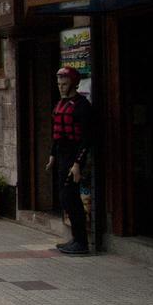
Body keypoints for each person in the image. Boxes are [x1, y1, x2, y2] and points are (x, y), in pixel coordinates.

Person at [47, 65, 92, 255]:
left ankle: (81, 242)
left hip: (75, 156)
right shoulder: (61, 104)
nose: (61, 87)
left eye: (64, 84)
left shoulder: (82, 106)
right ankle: (75, 239)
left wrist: (77, 164)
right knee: (66, 199)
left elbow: (87, 138)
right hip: (62, 156)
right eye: (59, 84)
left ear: (73, 84)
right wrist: (52, 156)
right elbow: (57, 135)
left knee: (71, 198)